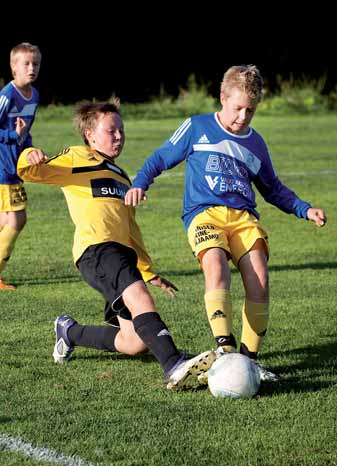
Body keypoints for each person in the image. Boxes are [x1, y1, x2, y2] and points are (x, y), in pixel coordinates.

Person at [125, 65, 327, 381]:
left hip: (243, 219)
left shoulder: (255, 143)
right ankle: (225, 347)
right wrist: (140, 183)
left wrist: (305, 209)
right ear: (222, 97)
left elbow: (272, 188)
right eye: (237, 108)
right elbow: (160, 158)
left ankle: (249, 359)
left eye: (251, 110)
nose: (243, 116)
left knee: (259, 277)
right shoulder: (196, 127)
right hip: (204, 214)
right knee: (215, 266)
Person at [17, 100, 215, 390]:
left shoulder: (121, 176)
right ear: (90, 135)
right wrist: (28, 155)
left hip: (120, 254)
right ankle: (173, 363)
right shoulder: (77, 156)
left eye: (121, 130)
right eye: (112, 131)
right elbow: (31, 172)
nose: (119, 136)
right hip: (96, 249)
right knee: (141, 300)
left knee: (133, 342)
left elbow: (131, 229)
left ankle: (70, 332)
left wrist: (148, 271)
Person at [0, 42, 42, 290]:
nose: (31, 68)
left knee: (5, 219)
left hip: (15, 165)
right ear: (13, 67)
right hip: (3, 166)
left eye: (35, 63)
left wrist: (29, 152)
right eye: (26, 63)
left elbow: (26, 132)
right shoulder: (7, 95)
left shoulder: (34, 95)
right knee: (17, 219)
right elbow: (12, 133)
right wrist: (14, 138)